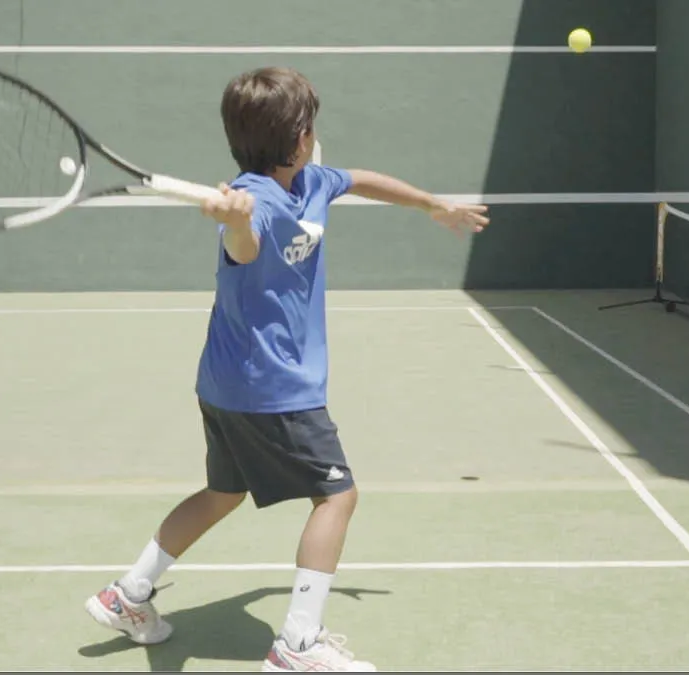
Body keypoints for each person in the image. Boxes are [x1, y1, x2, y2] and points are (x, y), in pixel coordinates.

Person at [85, 66, 489, 672]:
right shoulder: (261, 203)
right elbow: (243, 247)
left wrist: (433, 205)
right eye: (312, 126)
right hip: (271, 387)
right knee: (337, 497)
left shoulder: (312, 182)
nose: (318, 137)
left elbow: (362, 180)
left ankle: (128, 594)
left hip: (224, 384)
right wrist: (235, 219)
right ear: (298, 137)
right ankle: (298, 644)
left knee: (224, 492)